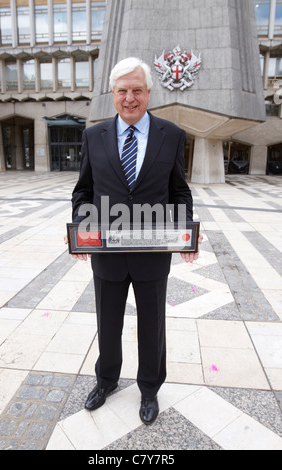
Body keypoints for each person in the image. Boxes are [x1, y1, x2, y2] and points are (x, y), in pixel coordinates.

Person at [69, 57, 202, 425]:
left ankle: (149, 389)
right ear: (113, 94)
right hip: (108, 254)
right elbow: (83, 192)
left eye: (137, 90)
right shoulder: (93, 136)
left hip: (152, 255)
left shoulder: (171, 135)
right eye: (123, 90)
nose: (130, 98)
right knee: (107, 321)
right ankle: (106, 380)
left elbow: (179, 191)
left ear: (148, 93)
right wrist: (83, 228)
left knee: (151, 324)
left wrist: (186, 229)